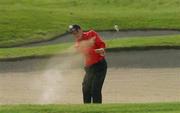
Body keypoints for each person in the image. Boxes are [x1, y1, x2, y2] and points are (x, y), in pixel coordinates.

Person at [68, 24, 107, 104]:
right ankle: (87, 109)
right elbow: (88, 52)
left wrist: (102, 49)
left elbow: (101, 43)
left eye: (76, 32)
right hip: (89, 69)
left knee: (95, 90)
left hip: (100, 67)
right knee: (86, 89)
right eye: (73, 34)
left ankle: (97, 110)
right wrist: (97, 51)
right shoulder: (78, 44)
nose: (75, 35)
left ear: (81, 30)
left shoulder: (92, 33)